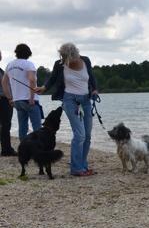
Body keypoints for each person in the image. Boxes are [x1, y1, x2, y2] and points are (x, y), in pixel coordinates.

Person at [37, 43, 98, 176]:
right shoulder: (60, 64)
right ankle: (76, 169)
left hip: (86, 101)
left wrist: (94, 89)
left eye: (67, 57)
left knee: (87, 136)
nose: (65, 60)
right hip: (69, 100)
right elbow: (52, 78)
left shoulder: (85, 60)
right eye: (63, 57)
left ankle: (83, 165)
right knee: (80, 134)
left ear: (74, 54)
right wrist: (44, 88)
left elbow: (91, 77)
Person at [1, 44, 42, 142]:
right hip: (29, 100)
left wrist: (9, 98)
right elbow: (32, 80)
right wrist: (31, 98)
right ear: (28, 53)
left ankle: (23, 149)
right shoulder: (28, 64)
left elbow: (4, 82)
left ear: (16, 53)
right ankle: (39, 148)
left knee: (22, 126)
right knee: (37, 127)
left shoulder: (9, 65)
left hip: (17, 101)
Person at [0, 50, 17, 156]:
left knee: (5, 125)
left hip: (4, 99)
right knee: (6, 125)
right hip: (3, 100)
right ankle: (6, 149)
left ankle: (6, 148)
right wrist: (10, 98)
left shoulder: (2, 70)